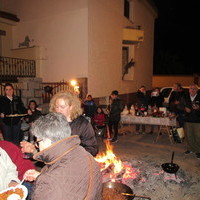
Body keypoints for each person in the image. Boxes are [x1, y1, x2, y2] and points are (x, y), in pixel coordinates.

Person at [24, 112, 102, 200]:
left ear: (48, 141)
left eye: (38, 142)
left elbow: (56, 184)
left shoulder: (47, 186)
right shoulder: (86, 155)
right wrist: (40, 176)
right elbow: (69, 180)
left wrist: (43, 181)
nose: (37, 146)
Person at [21, 91, 98, 156]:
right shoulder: (52, 122)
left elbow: (92, 149)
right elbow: (46, 147)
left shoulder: (82, 124)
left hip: (75, 165)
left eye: (62, 107)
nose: (58, 110)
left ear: (72, 107)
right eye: (57, 107)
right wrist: (33, 150)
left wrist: (72, 155)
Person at [184, 84, 200, 159]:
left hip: (197, 120)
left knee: (198, 136)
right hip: (188, 119)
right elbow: (180, 105)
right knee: (189, 135)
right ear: (189, 90)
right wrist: (185, 109)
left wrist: (198, 108)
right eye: (191, 88)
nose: (192, 90)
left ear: (197, 90)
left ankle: (198, 151)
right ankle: (190, 149)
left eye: (194, 89)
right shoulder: (185, 97)